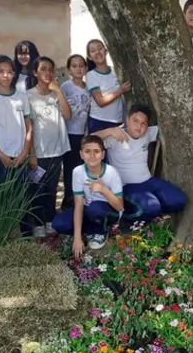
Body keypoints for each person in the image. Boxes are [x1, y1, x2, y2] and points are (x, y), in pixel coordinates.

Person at [94, 105, 186, 222]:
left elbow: (171, 128)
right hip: (127, 185)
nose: (139, 126)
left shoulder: (147, 133)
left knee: (179, 200)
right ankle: (120, 216)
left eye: (144, 123)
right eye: (135, 121)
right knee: (152, 207)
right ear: (127, 119)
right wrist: (110, 131)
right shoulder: (115, 137)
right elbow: (88, 140)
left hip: (148, 181)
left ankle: (150, 212)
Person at [52, 135, 124, 258]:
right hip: (88, 208)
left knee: (95, 208)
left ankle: (102, 231)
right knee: (58, 223)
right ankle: (90, 231)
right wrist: (77, 238)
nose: (92, 155)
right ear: (81, 154)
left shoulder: (111, 172)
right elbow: (79, 204)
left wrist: (103, 189)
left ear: (103, 154)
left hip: (108, 211)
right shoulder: (78, 172)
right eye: (87, 151)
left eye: (96, 151)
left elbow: (119, 206)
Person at [26, 56, 72, 238]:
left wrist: (59, 91)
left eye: (51, 69)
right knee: (37, 189)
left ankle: (50, 222)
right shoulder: (28, 96)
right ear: (35, 72)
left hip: (57, 150)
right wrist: (31, 154)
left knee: (52, 189)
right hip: (39, 152)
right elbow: (27, 127)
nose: (48, 73)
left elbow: (68, 115)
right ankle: (37, 224)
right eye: (43, 69)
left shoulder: (56, 93)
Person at [0, 54, 33, 183]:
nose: (5, 75)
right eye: (1, 71)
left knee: (20, 194)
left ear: (14, 74)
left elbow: (29, 127)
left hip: (20, 156)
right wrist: (1, 155)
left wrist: (24, 153)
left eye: (9, 72)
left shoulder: (22, 97)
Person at [60, 54, 91, 210]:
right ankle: (68, 198)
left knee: (80, 167)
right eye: (74, 66)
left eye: (81, 65)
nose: (78, 69)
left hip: (83, 135)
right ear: (69, 69)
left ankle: (80, 197)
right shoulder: (66, 87)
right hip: (69, 133)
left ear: (85, 68)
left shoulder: (89, 88)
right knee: (70, 167)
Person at [85, 39, 131, 134]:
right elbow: (100, 101)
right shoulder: (91, 75)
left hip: (117, 121)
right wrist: (120, 91)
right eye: (93, 51)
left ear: (105, 51)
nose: (97, 52)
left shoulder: (116, 71)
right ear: (90, 57)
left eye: (100, 48)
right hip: (99, 121)